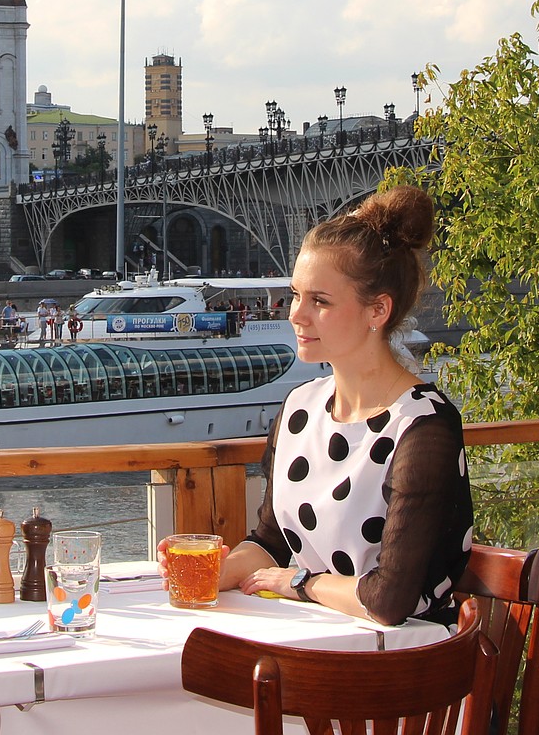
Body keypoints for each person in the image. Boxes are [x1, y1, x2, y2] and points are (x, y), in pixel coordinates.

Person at [162, 184, 472, 627]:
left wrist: (298, 583)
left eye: (320, 301)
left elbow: (389, 599)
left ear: (377, 311)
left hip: (404, 667)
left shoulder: (423, 427)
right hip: (314, 645)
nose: (295, 314)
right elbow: (271, 543)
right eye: (295, 295)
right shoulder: (299, 408)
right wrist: (209, 571)